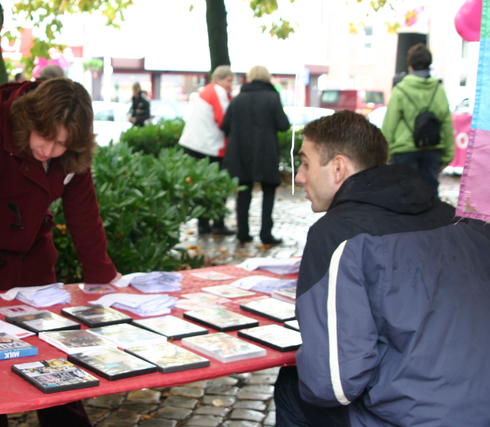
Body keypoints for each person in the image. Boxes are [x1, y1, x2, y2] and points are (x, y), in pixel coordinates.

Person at [0, 77, 119, 427]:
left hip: (29, 246)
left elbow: (84, 213)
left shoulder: (70, 154)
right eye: (45, 138)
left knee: (52, 348)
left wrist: (104, 277)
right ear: (30, 120)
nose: (49, 151)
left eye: (61, 144)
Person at [273, 110, 456, 426]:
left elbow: (332, 385)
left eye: (304, 163)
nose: (299, 176)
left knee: (292, 385)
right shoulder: (451, 216)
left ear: (338, 168)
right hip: (474, 398)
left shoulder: (334, 234)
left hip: (406, 414)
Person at [293, 219, 490, 426]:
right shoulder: (466, 225)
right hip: (480, 403)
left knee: (291, 391)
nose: (299, 183)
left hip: (413, 415)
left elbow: (333, 388)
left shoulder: (337, 233)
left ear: (337, 182)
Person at [222, 65, 291, 245]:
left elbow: (224, 125)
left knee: (243, 194)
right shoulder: (272, 97)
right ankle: (266, 234)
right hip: (265, 153)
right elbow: (284, 125)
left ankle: (242, 232)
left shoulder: (238, 99)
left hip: (240, 153)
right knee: (268, 193)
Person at [381, 43, 454, 195]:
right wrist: (447, 156)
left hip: (404, 151)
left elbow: (389, 125)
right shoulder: (438, 90)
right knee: (430, 196)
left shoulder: (401, 90)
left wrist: (383, 155)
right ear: (429, 64)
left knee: (405, 196)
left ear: (410, 65)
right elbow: (446, 123)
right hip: (433, 150)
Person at [179, 64, 235, 236]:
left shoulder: (208, 91)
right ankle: (217, 222)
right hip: (209, 147)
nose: (231, 84)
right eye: (229, 80)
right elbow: (224, 120)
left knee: (202, 186)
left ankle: (203, 223)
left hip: (196, 144)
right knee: (218, 187)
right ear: (218, 79)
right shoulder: (217, 91)